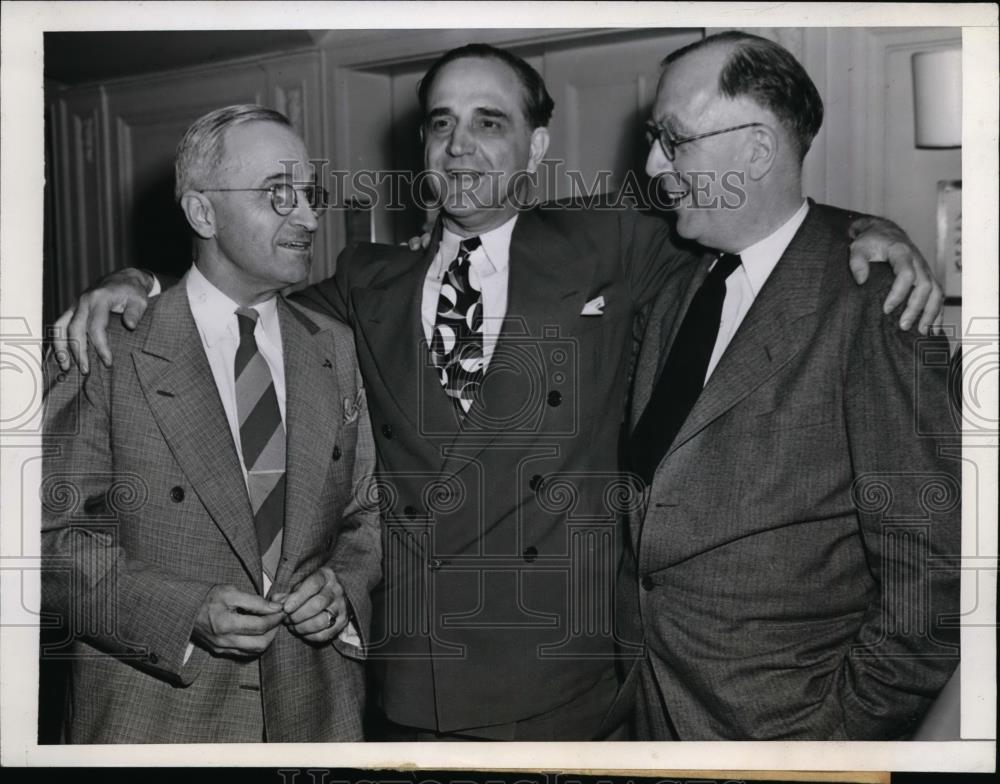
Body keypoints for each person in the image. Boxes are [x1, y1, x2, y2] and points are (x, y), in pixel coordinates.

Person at [51, 44, 944, 741]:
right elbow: (236, 300)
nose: (460, 146)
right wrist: (134, 282)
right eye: (441, 124)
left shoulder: (617, 241)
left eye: (489, 122)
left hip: (570, 684)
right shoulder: (366, 280)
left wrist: (873, 230)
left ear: (536, 145)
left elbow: (770, 226)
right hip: (404, 680)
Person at [616, 32, 960, 740]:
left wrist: (839, 733)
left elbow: (934, 571)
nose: (653, 165)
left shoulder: (875, 300)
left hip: (784, 734)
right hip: (648, 716)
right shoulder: (674, 280)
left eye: (672, 140)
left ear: (758, 150)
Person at [41, 105, 381, 743]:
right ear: (202, 212)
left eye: (309, 194)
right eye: (277, 195)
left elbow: (369, 514)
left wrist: (346, 587)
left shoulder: (335, 347)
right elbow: (41, 544)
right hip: (156, 722)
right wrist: (182, 612)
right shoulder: (108, 347)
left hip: (315, 716)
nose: (307, 216)